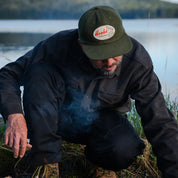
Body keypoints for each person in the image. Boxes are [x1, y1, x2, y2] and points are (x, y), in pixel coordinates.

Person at [0, 5, 177, 178]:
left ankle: (98, 163)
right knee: (39, 73)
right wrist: (14, 115)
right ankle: (46, 162)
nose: (109, 61)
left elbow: (160, 122)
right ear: (82, 45)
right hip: (55, 120)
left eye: (114, 51)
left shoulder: (137, 62)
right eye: (100, 54)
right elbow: (8, 74)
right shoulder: (57, 46)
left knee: (124, 147)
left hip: (103, 125)